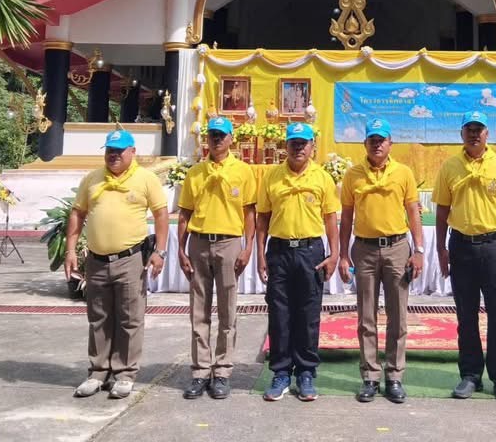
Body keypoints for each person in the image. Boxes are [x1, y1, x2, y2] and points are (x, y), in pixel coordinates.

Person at [65, 129, 169, 399]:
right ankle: (98, 372)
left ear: (132, 152)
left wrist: (160, 251)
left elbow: (161, 214)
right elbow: (78, 213)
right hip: (97, 260)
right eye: (110, 150)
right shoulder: (92, 178)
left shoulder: (146, 179)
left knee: (130, 318)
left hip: (130, 259)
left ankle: (125, 374)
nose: (113, 155)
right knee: (98, 317)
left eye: (119, 150)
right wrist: (70, 250)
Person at [434, 111, 496, 404]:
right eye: (469, 129)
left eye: (479, 129)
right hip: (461, 247)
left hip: (494, 246)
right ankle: (470, 374)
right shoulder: (450, 166)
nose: (474, 134)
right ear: (461, 134)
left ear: (487, 134)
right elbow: (442, 211)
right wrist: (441, 249)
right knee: (466, 315)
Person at [339, 118, 424, 404]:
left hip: (397, 248)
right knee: (366, 316)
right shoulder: (353, 175)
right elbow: (346, 218)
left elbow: (413, 212)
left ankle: (395, 376)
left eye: (382, 139)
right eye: (372, 139)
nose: (377, 144)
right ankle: (370, 376)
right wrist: (342, 254)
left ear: (390, 143)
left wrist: (419, 250)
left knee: (397, 315)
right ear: (365, 143)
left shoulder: (403, 173)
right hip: (364, 249)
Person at [256, 122, 340, 402]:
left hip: (310, 252)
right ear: (286, 146)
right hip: (279, 251)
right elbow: (263, 218)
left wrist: (334, 254)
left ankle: (306, 372)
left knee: (308, 314)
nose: (299, 148)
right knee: (279, 314)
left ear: (312, 146)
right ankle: (281, 372)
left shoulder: (322, 178)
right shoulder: (272, 177)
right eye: (294, 142)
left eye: (304, 143)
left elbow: (330, 219)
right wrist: (260, 255)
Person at [178, 116, 257, 401]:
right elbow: (185, 213)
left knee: (227, 310)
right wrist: (181, 250)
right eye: (213, 134)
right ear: (207, 139)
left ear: (231, 138)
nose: (217, 139)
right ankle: (200, 371)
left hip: (228, 243)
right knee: (198, 311)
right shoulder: (195, 173)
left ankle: (222, 370)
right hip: (199, 242)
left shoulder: (243, 171)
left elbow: (249, 213)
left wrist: (248, 247)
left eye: (222, 135)